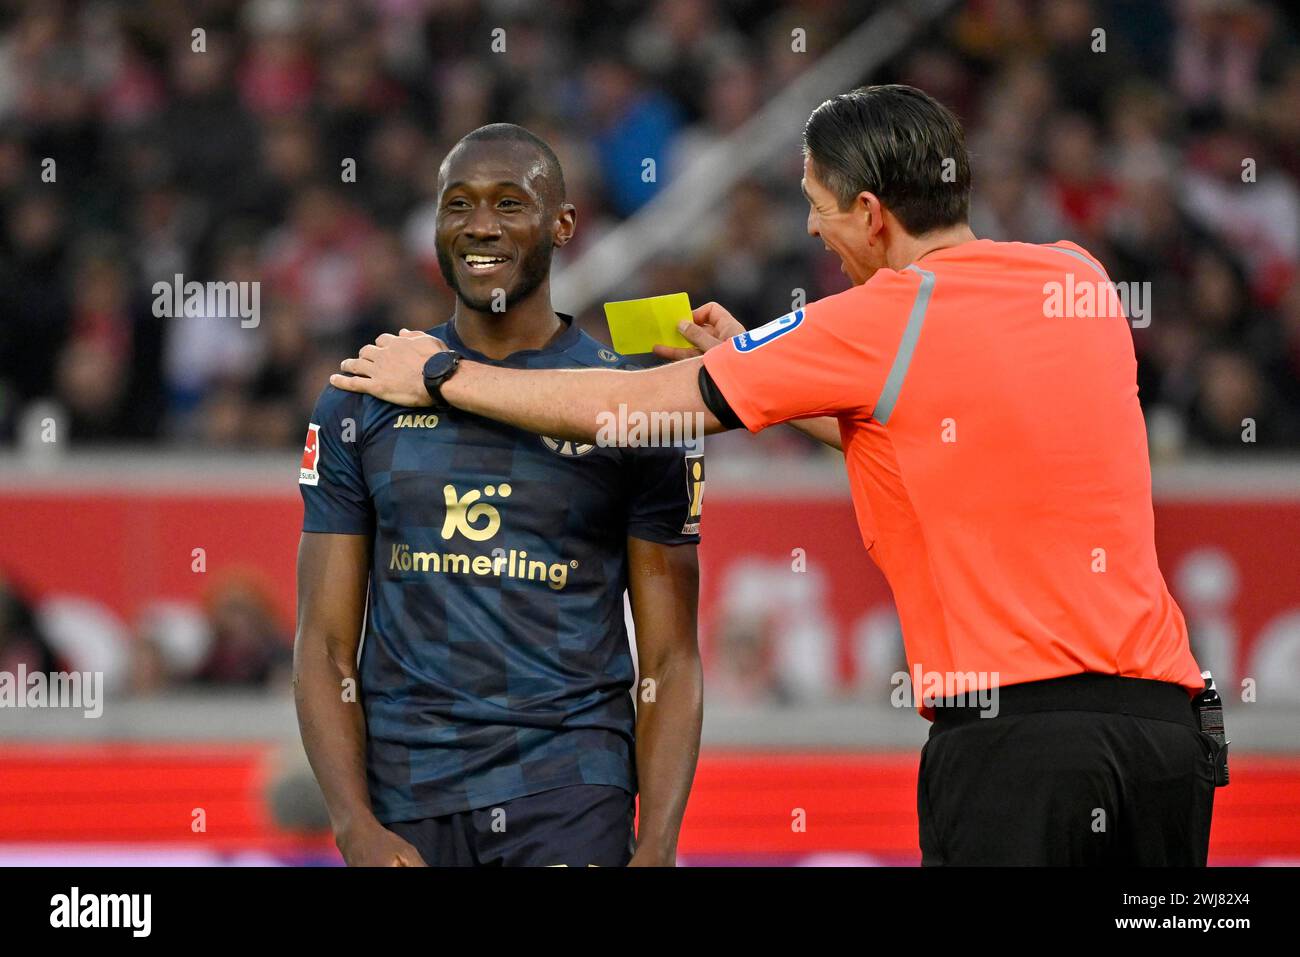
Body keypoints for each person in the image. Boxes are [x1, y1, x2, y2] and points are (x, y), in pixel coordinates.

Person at [331, 86, 1222, 866]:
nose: (809, 228)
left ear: (873, 213)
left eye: (818, 205)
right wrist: (771, 377)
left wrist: (443, 375)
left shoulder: (874, 318)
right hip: (1167, 737)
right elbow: (941, 434)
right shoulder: (1080, 280)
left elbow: (632, 410)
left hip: (1020, 753)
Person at [294, 124, 704, 867]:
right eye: (459, 205)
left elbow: (671, 658)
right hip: (406, 796)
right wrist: (353, 822)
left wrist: (659, 845)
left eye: (510, 203)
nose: (480, 225)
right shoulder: (363, 396)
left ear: (564, 225)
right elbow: (323, 645)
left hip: (569, 790)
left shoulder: (636, 403)